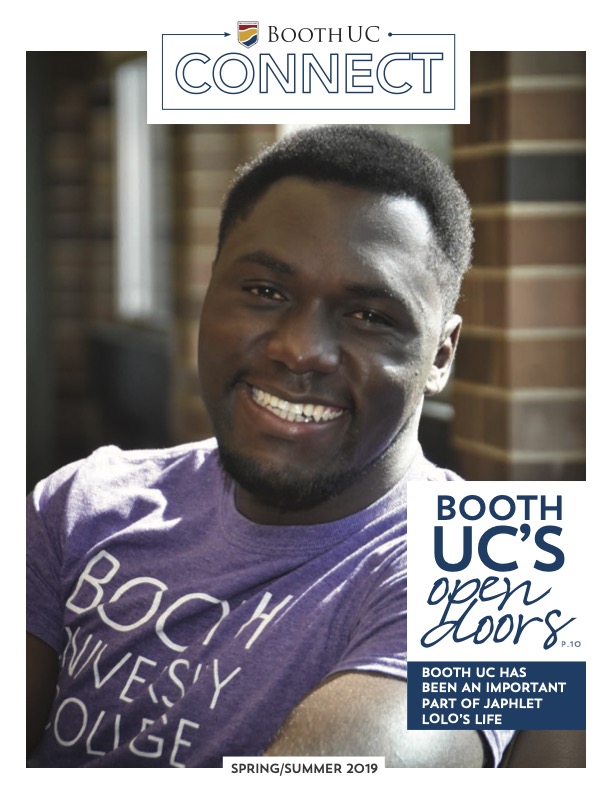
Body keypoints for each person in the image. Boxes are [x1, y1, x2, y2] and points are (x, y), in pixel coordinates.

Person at [27, 125, 515, 767]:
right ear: (208, 290)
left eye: (369, 315)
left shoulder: (506, 568)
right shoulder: (80, 503)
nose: (300, 349)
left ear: (441, 355)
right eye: (264, 292)